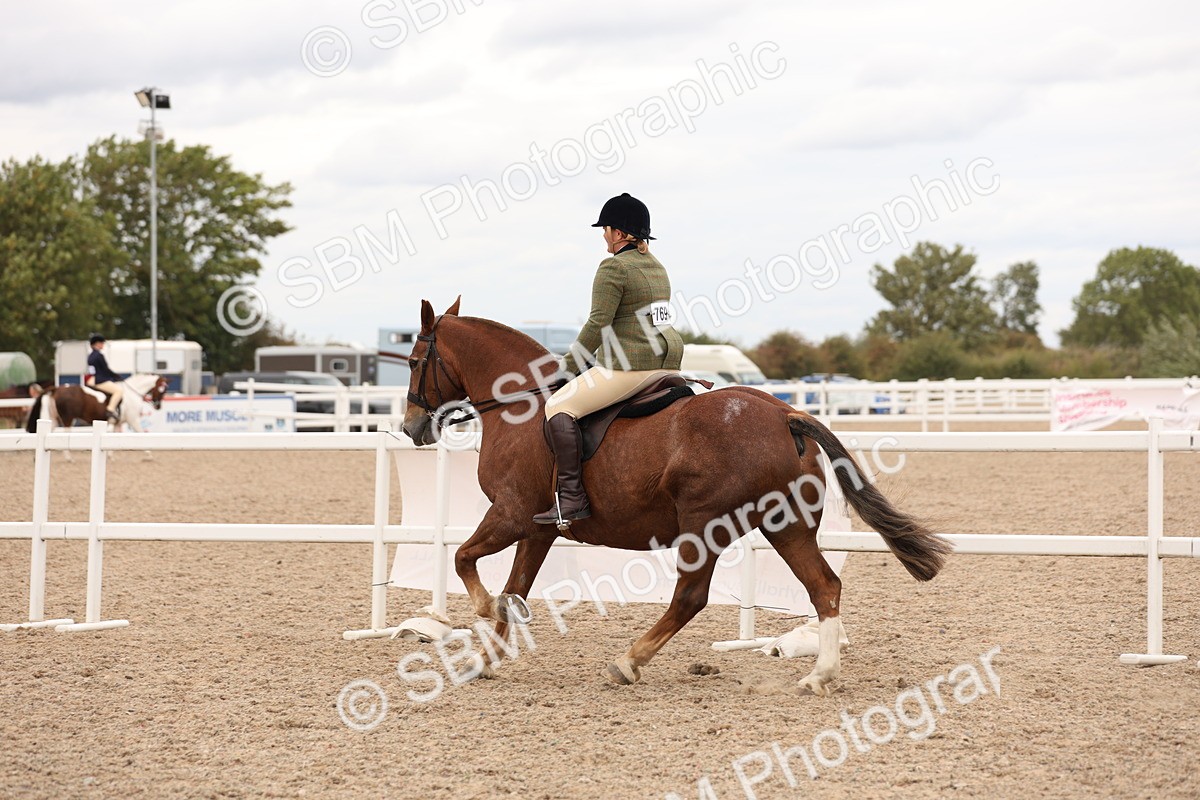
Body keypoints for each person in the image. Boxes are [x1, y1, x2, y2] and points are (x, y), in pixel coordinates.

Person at [533, 193, 685, 526]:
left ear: (618, 233)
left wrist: (566, 369)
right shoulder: (656, 266)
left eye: (605, 229)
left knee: (557, 407)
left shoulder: (613, 267)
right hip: (668, 360)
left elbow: (598, 323)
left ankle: (571, 499)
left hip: (633, 365)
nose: (603, 235)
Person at [86, 334, 123, 422]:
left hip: (93, 379)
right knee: (119, 391)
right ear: (97, 344)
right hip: (101, 380)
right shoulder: (99, 355)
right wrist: (116, 376)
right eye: (101, 343)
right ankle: (110, 409)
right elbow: (105, 370)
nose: (103, 345)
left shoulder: (91, 356)